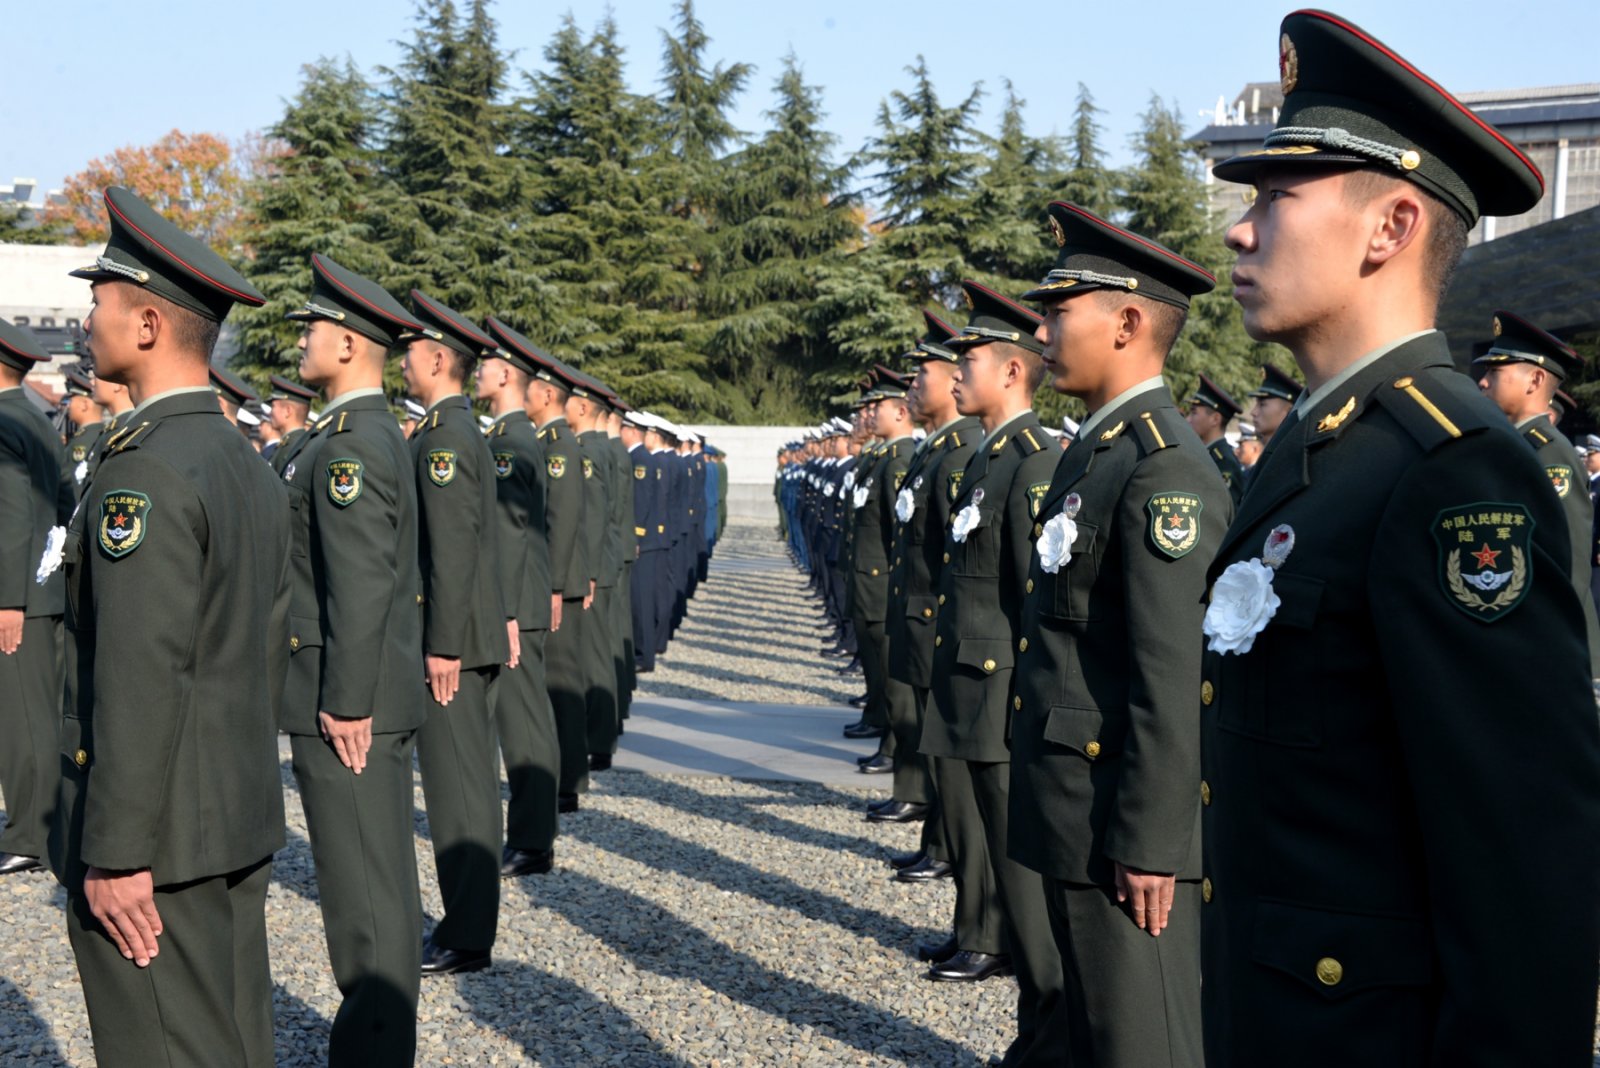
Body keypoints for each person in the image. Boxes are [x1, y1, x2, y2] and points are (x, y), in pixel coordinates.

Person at [1200, 12, 1600, 1065]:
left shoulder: (1448, 467)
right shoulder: (1315, 453)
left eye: (1276, 198)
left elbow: (1523, 865)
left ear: (1389, 228)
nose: (1240, 230)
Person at [51, 186, 289, 1067]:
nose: (87, 322)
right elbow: (259, 644)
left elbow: (142, 671)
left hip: (157, 837)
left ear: (147, 325)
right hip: (227, 810)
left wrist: (114, 850)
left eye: (100, 303)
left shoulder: (142, 475)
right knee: (230, 1039)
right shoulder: (243, 460)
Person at [1012, 200, 1227, 1066]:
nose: (1041, 332)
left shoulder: (1163, 470)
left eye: (1060, 312)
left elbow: (1172, 677)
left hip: (1117, 831)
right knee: (1091, 1030)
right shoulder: (1096, 452)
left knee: (1141, 1042)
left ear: (1129, 321)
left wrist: (1149, 843)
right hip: (1075, 811)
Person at [920, 280, 1067, 1062]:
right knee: (1008, 879)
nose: (955, 373)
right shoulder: (987, 458)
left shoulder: (1033, 463)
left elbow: (1034, 599)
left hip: (1002, 699)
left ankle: (1049, 1035)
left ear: (1012, 371)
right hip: (973, 693)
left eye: (969, 360)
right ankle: (1035, 1031)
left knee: (1028, 891)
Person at [399, 291, 510, 976]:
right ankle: (467, 920)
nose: (403, 363)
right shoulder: (456, 430)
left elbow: (450, 549)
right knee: (462, 785)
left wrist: (443, 644)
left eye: (411, 353)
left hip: (455, 646)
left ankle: (468, 932)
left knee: (459, 791)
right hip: (467, 636)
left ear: (440, 359)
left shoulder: (445, 437)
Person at [882, 313, 984, 934]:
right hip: (923, 623)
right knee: (930, 748)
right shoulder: (938, 453)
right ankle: (938, 841)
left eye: (923, 375)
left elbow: (957, 559)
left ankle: (946, 848)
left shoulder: (960, 455)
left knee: (946, 758)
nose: (914, 387)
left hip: (939, 625)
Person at [1472, 310, 1600, 672]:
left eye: (1495, 372)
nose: (1482, 382)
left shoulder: (1549, 453)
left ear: (1535, 380)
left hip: (1551, 650)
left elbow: (1568, 564)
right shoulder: (1521, 448)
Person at [482, 317, 562, 877]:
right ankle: (532, 833)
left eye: (486, 363)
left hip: (515, 606)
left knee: (525, 722)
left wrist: (505, 612)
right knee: (523, 718)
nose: (477, 371)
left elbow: (511, 534)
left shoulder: (511, 442)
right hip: (518, 601)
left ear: (506, 374)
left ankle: (533, 839)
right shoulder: (509, 437)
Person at [0, 318, 71, 878]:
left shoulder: (4, 420)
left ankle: (32, 834)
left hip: (19, 593)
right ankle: (41, 825)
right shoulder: (38, 419)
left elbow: (12, 517)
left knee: (22, 716)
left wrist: (9, 600)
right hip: (42, 587)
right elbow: (66, 502)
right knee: (36, 714)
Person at [1186, 372, 1247, 506]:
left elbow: (1226, 513)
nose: (1188, 419)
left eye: (1194, 412)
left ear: (1215, 419)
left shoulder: (1224, 462)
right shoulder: (1209, 455)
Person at [264, 373, 315, 472]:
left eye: (273, 406)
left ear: (287, 411)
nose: (270, 412)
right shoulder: (288, 444)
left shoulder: (294, 447)